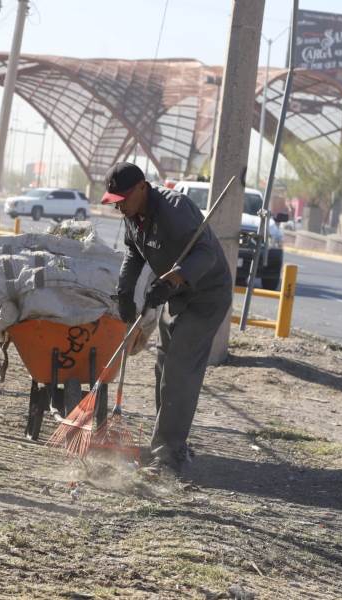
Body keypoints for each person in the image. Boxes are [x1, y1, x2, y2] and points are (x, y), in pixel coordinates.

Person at [101, 162, 232, 474]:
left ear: (143, 188)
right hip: (175, 296)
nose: (119, 207)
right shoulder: (133, 217)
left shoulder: (175, 210)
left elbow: (206, 255)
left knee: (179, 370)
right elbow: (134, 253)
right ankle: (172, 444)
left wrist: (173, 280)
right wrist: (124, 291)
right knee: (163, 367)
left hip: (206, 295)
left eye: (123, 199)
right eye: (114, 201)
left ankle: (167, 457)